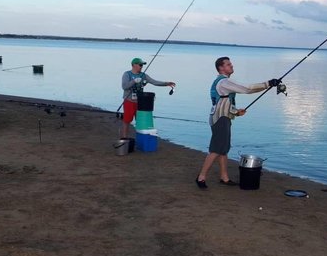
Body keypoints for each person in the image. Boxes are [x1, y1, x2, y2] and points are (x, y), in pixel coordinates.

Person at [196, 56, 280, 189]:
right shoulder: (223, 82)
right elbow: (247, 89)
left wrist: (235, 112)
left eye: (231, 64)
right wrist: (268, 83)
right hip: (220, 119)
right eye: (228, 64)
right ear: (221, 68)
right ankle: (201, 177)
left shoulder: (222, 82)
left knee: (223, 149)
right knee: (216, 149)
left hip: (222, 117)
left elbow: (223, 102)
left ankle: (224, 177)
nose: (232, 66)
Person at [120, 58, 176, 138]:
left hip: (140, 103)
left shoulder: (143, 75)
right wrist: (134, 81)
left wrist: (166, 83)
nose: (141, 66)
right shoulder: (127, 74)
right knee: (127, 121)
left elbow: (154, 82)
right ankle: (124, 138)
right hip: (129, 101)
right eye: (140, 65)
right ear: (134, 65)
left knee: (140, 122)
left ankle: (140, 138)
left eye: (142, 65)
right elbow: (124, 87)